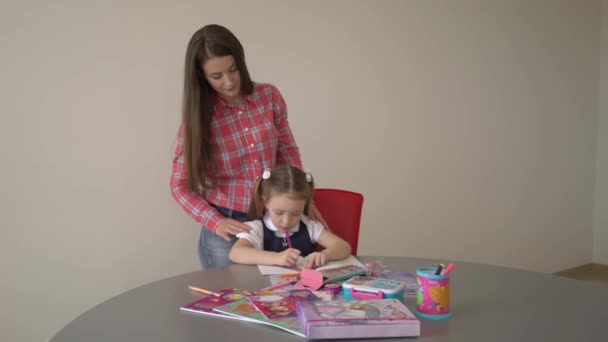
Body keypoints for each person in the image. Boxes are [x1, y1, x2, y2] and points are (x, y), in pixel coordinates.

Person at [170, 24, 325, 269]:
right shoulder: (198, 122)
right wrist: (215, 221)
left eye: (233, 70)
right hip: (229, 229)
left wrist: (304, 201)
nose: (230, 82)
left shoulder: (269, 97)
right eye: (216, 76)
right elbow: (179, 186)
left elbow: (288, 154)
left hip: (274, 221)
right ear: (201, 76)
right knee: (233, 301)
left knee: (282, 298)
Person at [229, 165, 351, 269]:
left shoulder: (308, 226)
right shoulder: (257, 228)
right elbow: (235, 253)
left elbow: (343, 247)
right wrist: (276, 258)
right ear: (265, 202)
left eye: (295, 213)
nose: (286, 221)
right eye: (279, 212)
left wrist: (325, 254)